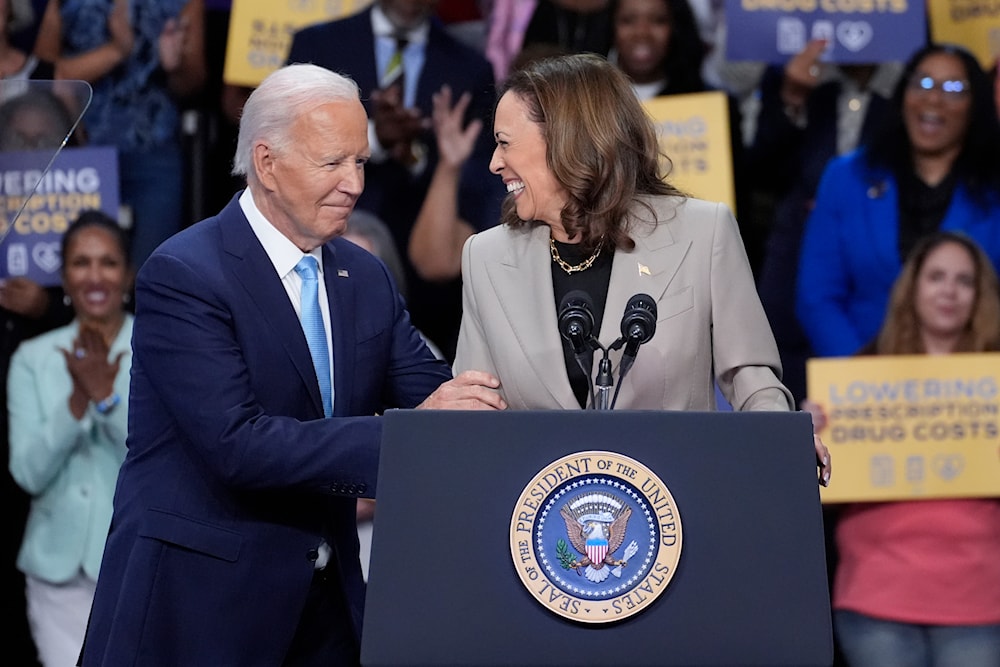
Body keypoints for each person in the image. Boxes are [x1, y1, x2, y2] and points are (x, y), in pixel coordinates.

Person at [79, 63, 503, 667]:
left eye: (360, 161)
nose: (354, 183)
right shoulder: (185, 274)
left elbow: (437, 396)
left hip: (324, 614)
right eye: (333, 163)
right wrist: (411, 433)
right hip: (199, 612)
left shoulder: (364, 278)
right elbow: (238, 445)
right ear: (267, 162)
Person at [451, 53, 831, 482]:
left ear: (565, 139)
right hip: (538, 525)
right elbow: (475, 408)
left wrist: (780, 435)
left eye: (504, 142)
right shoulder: (485, 257)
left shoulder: (701, 232)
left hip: (680, 505)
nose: (494, 163)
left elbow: (750, 375)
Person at [804, 232, 1000, 666]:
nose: (949, 290)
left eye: (964, 280)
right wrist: (805, 438)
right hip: (876, 599)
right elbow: (811, 494)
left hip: (979, 601)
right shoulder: (855, 382)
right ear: (912, 288)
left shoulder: (997, 385)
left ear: (979, 295)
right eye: (936, 277)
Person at [287, 0, 500, 360]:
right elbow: (290, 141)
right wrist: (374, 137)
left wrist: (416, 158)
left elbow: (480, 178)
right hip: (323, 244)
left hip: (429, 282)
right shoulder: (317, 46)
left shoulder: (470, 67)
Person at [797, 43, 1000, 360]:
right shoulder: (846, 177)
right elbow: (817, 297)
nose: (933, 98)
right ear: (901, 94)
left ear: (976, 106)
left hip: (974, 388)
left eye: (953, 88)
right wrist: (863, 374)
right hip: (864, 383)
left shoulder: (994, 187)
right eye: (922, 82)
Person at [8, 209, 132, 667]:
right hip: (55, 576)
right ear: (63, 277)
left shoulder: (159, 347)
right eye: (81, 263)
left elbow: (164, 462)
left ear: (128, 274)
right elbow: (28, 473)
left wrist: (105, 399)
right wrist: (78, 401)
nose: (95, 276)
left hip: (134, 565)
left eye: (108, 262)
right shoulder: (33, 357)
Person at [750, 39, 900, 403]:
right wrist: (792, 96)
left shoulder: (910, 84)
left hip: (878, 257)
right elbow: (761, 172)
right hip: (795, 253)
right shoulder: (788, 74)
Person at [34, 0, 206, 268]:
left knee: (154, 271)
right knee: (81, 268)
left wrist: (175, 66)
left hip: (154, 154)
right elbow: (43, 78)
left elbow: (192, 84)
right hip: (80, 153)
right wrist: (116, 50)